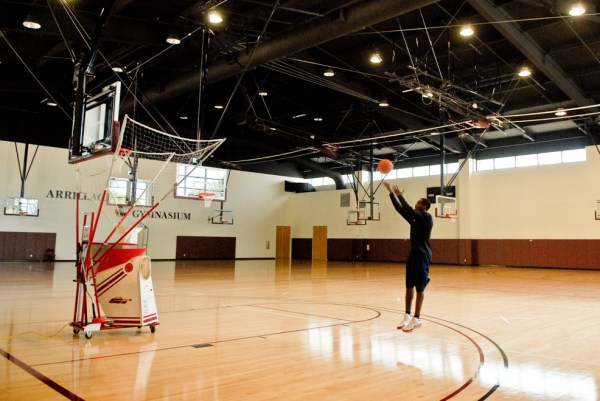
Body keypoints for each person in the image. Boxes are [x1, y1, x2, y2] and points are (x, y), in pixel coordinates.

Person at [383, 182, 433, 333]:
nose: (416, 204)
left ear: (424, 206)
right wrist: (391, 193)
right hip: (413, 255)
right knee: (409, 286)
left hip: (423, 256)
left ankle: (417, 318)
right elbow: (400, 209)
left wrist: (400, 195)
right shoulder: (414, 219)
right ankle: (407, 315)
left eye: (418, 203)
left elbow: (408, 209)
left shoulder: (427, 217)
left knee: (420, 289)